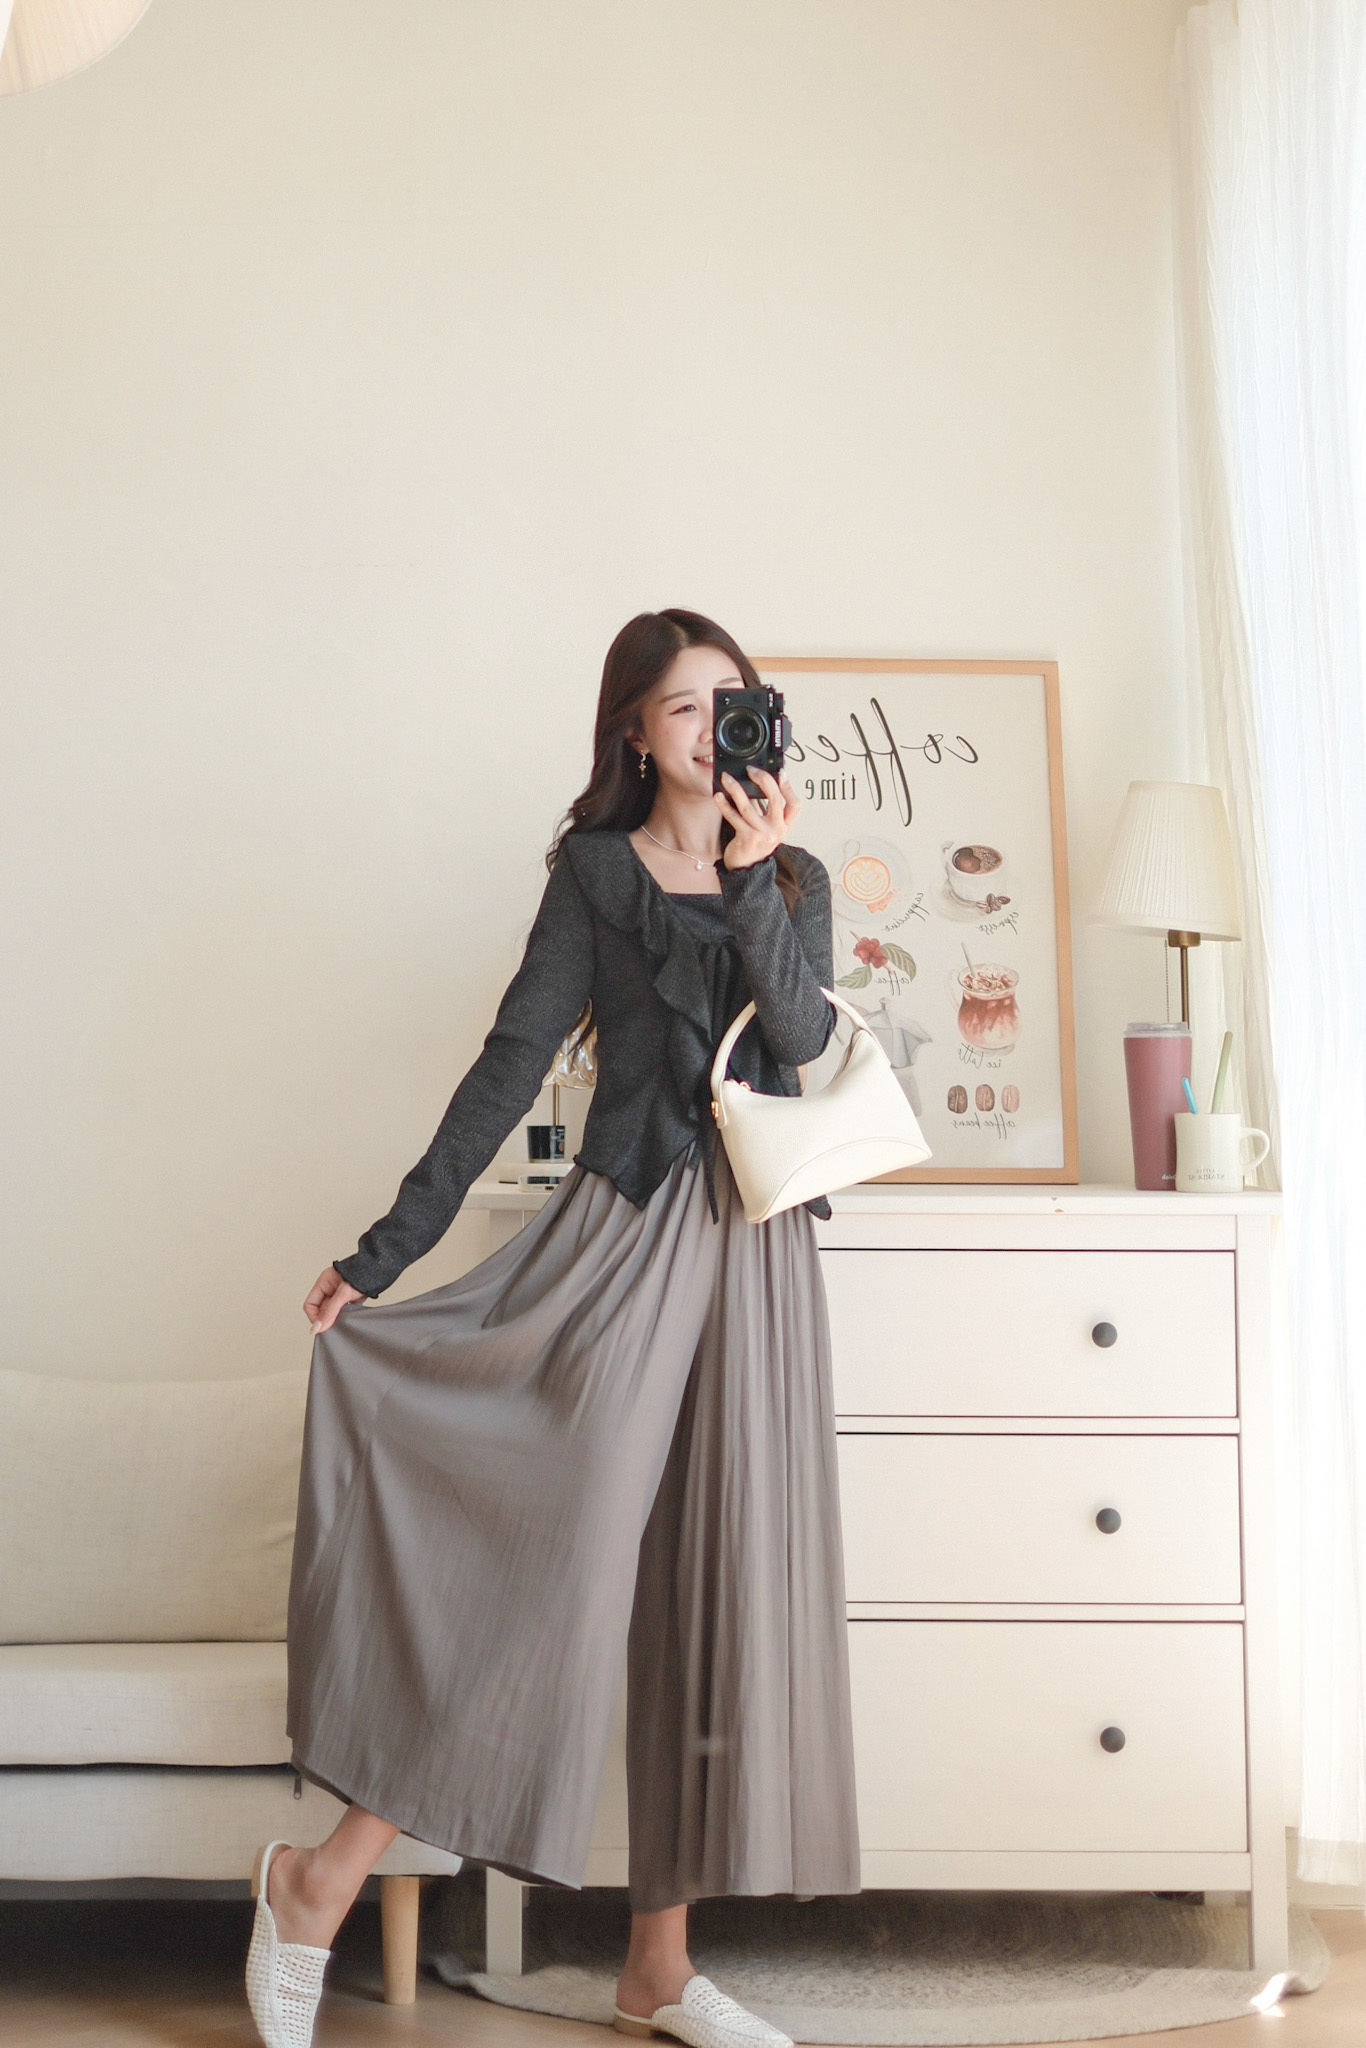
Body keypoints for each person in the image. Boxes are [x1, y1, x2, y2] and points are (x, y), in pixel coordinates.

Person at [244, 609, 861, 2048]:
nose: (710, 730)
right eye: (682, 707)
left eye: (731, 702)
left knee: (712, 1594)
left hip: (760, 1263)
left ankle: (660, 1967)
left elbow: (803, 1045)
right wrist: (386, 1249)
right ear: (633, 730)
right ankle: (316, 1885)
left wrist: (753, 875)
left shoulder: (796, 873)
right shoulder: (594, 872)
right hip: (626, 1247)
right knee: (541, 1570)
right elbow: (514, 1058)